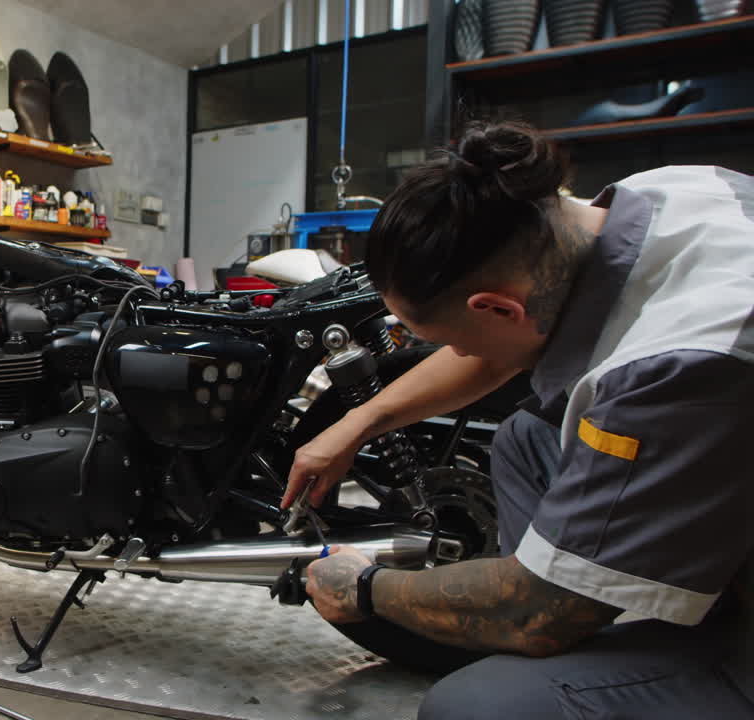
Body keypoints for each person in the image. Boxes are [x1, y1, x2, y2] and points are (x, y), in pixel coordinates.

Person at [280, 120, 754, 718]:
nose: (466, 359)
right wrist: (354, 425)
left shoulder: (675, 365)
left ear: (499, 307)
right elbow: (503, 343)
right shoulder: (668, 193)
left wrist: (367, 588)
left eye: (459, 342)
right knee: (527, 437)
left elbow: (541, 608)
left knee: (473, 707)